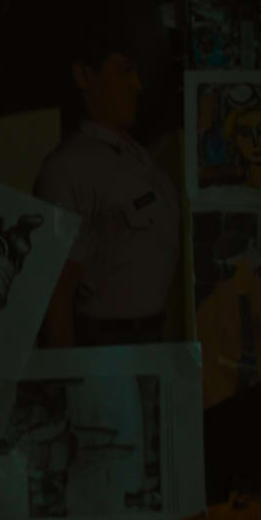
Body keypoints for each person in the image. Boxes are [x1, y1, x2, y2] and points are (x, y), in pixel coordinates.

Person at [35, 31, 178, 347]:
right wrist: (65, 378)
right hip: (106, 348)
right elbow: (56, 293)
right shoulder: (69, 167)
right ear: (85, 75)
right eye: (126, 71)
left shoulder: (138, 159)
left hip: (152, 342)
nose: (137, 85)